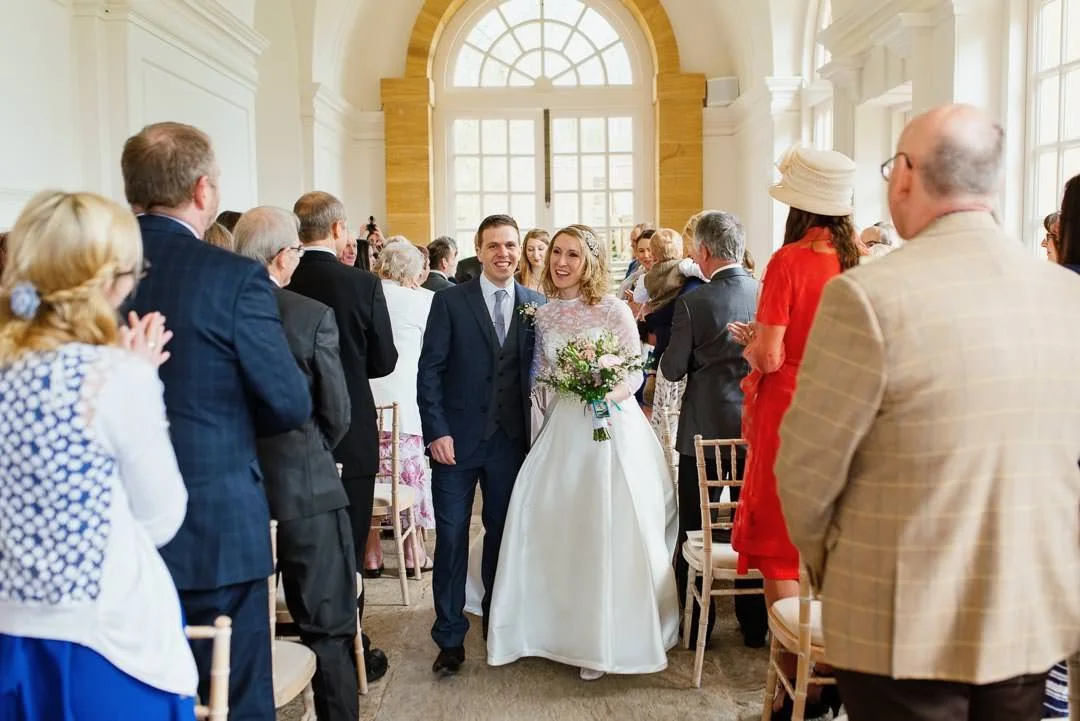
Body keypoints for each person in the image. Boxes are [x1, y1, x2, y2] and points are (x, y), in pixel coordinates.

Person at [776, 105, 1080, 721]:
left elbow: (806, 473)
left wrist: (846, 570)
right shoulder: (1066, 296)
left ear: (906, 176)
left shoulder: (866, 297)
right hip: (1025, 612)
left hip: (900, 620)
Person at [123, 121, 312, 721]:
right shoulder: (231, 277)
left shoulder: (84, 276)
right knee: (234, 698)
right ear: (203, 190)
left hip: (112, 532)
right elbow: (289, 401)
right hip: (216, 529)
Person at [0, 191, 195, 720]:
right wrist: (141, 381)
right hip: (100, 640)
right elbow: (161, 517)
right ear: (110, 281)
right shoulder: (111, 378)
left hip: (11, 634)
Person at [486, 224, 679, 681]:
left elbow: (634, 373)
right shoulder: (543, 315)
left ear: (589, 261)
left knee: (606, 524)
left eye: (573, 254)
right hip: (563, 426)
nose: (561, 262)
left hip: (612, 426)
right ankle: (548, 624)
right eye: (557, 252)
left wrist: (604, 392)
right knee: (550, 518)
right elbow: (539, 375)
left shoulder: (613, 309)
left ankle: (604, 637)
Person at [730, 144, 861, 719]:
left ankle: (798, 688)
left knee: (781, 549)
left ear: (798, 208)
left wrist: (754, 346)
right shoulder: (859, 262)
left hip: (791, 413)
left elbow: (770, 356)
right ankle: (831, 673)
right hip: (846, 412)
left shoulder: (788, 261)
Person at [233, 207, 359, 721]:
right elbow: (337, 413)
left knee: (236, 634)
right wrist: (309, 452)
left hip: (238, 492)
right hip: (307, 488)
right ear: (285, 256)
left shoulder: (217, 311)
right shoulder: (308, 315)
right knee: (328, 628)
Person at [418, 214, 545, 676]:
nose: (503, 254)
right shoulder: (450, 301)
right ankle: (449, 636)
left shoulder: (536, 304)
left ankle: (497, 620)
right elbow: (429, 371)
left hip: (510, 444)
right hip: (454, 442)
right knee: (451, 537)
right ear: (478, 249)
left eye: (510, 245)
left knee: (502, 534)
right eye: (493, 246)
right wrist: (437, 431)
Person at [288, 191, 398, 684]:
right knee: (349, 547)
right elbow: (384, 361)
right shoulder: (362, 284)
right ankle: (352, 647)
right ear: (337, 229)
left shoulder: (281, 280)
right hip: (351, 431)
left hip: (291, 434)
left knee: (296, 547)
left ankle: (300, 643)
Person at [659, 211, 766, 650]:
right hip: (754, 427)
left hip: (702, 431)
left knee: (695, 524)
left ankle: (698, 623)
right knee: (750, 521)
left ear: (703, 251)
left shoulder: (694, 302)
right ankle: (755, 624)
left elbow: (671, 369)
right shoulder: (764, 292)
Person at [365, 241, 436, 574]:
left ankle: (371, 554)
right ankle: (411, 553)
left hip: (367, 406)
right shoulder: (422, 301)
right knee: (408, 478)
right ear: (413, 272)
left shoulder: (366, 295)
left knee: (370, 479)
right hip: (404, 406)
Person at [516, 228, 549, 293]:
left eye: (540, 249)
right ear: (525, 251)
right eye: (530, 249)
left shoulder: (557, 276)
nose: (536, 255)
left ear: (549, 250)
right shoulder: (517, 278)